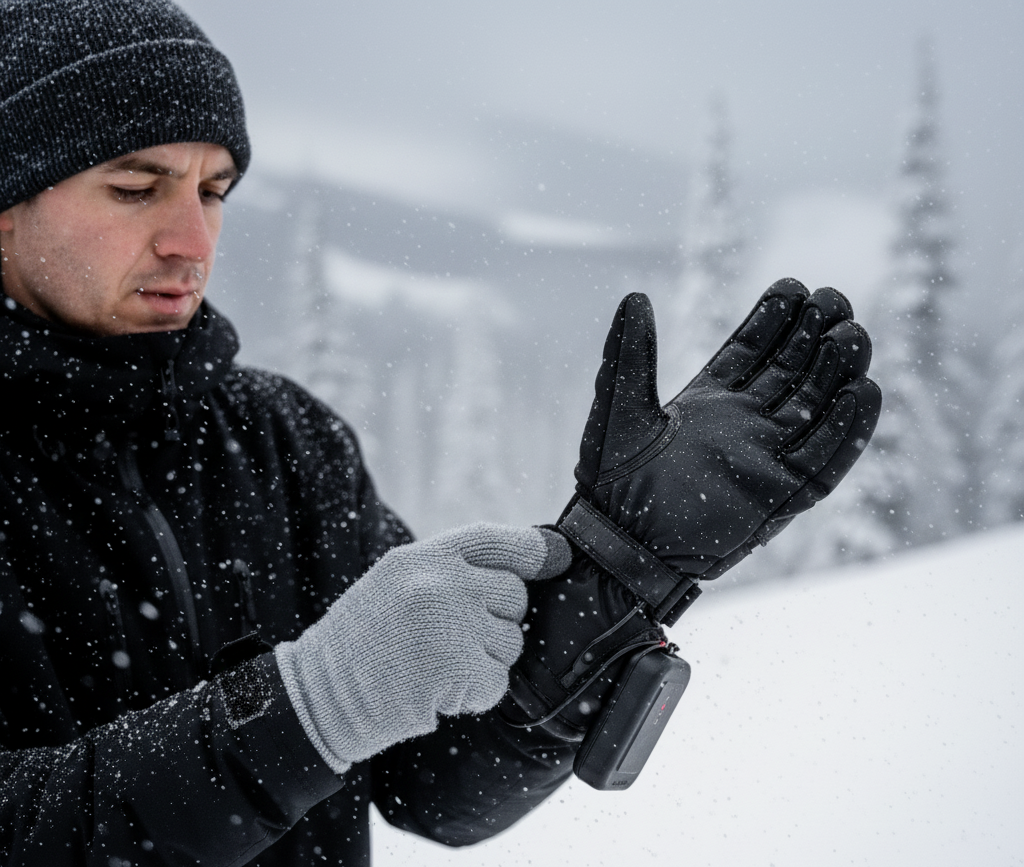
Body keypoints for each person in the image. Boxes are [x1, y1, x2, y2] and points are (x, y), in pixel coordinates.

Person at [0, 1, 881, 865]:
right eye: (133, 187)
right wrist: (304, 708)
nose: (192, 238)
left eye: (214, 190)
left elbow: (435, 787)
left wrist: (614, 574)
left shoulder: (283, 440)